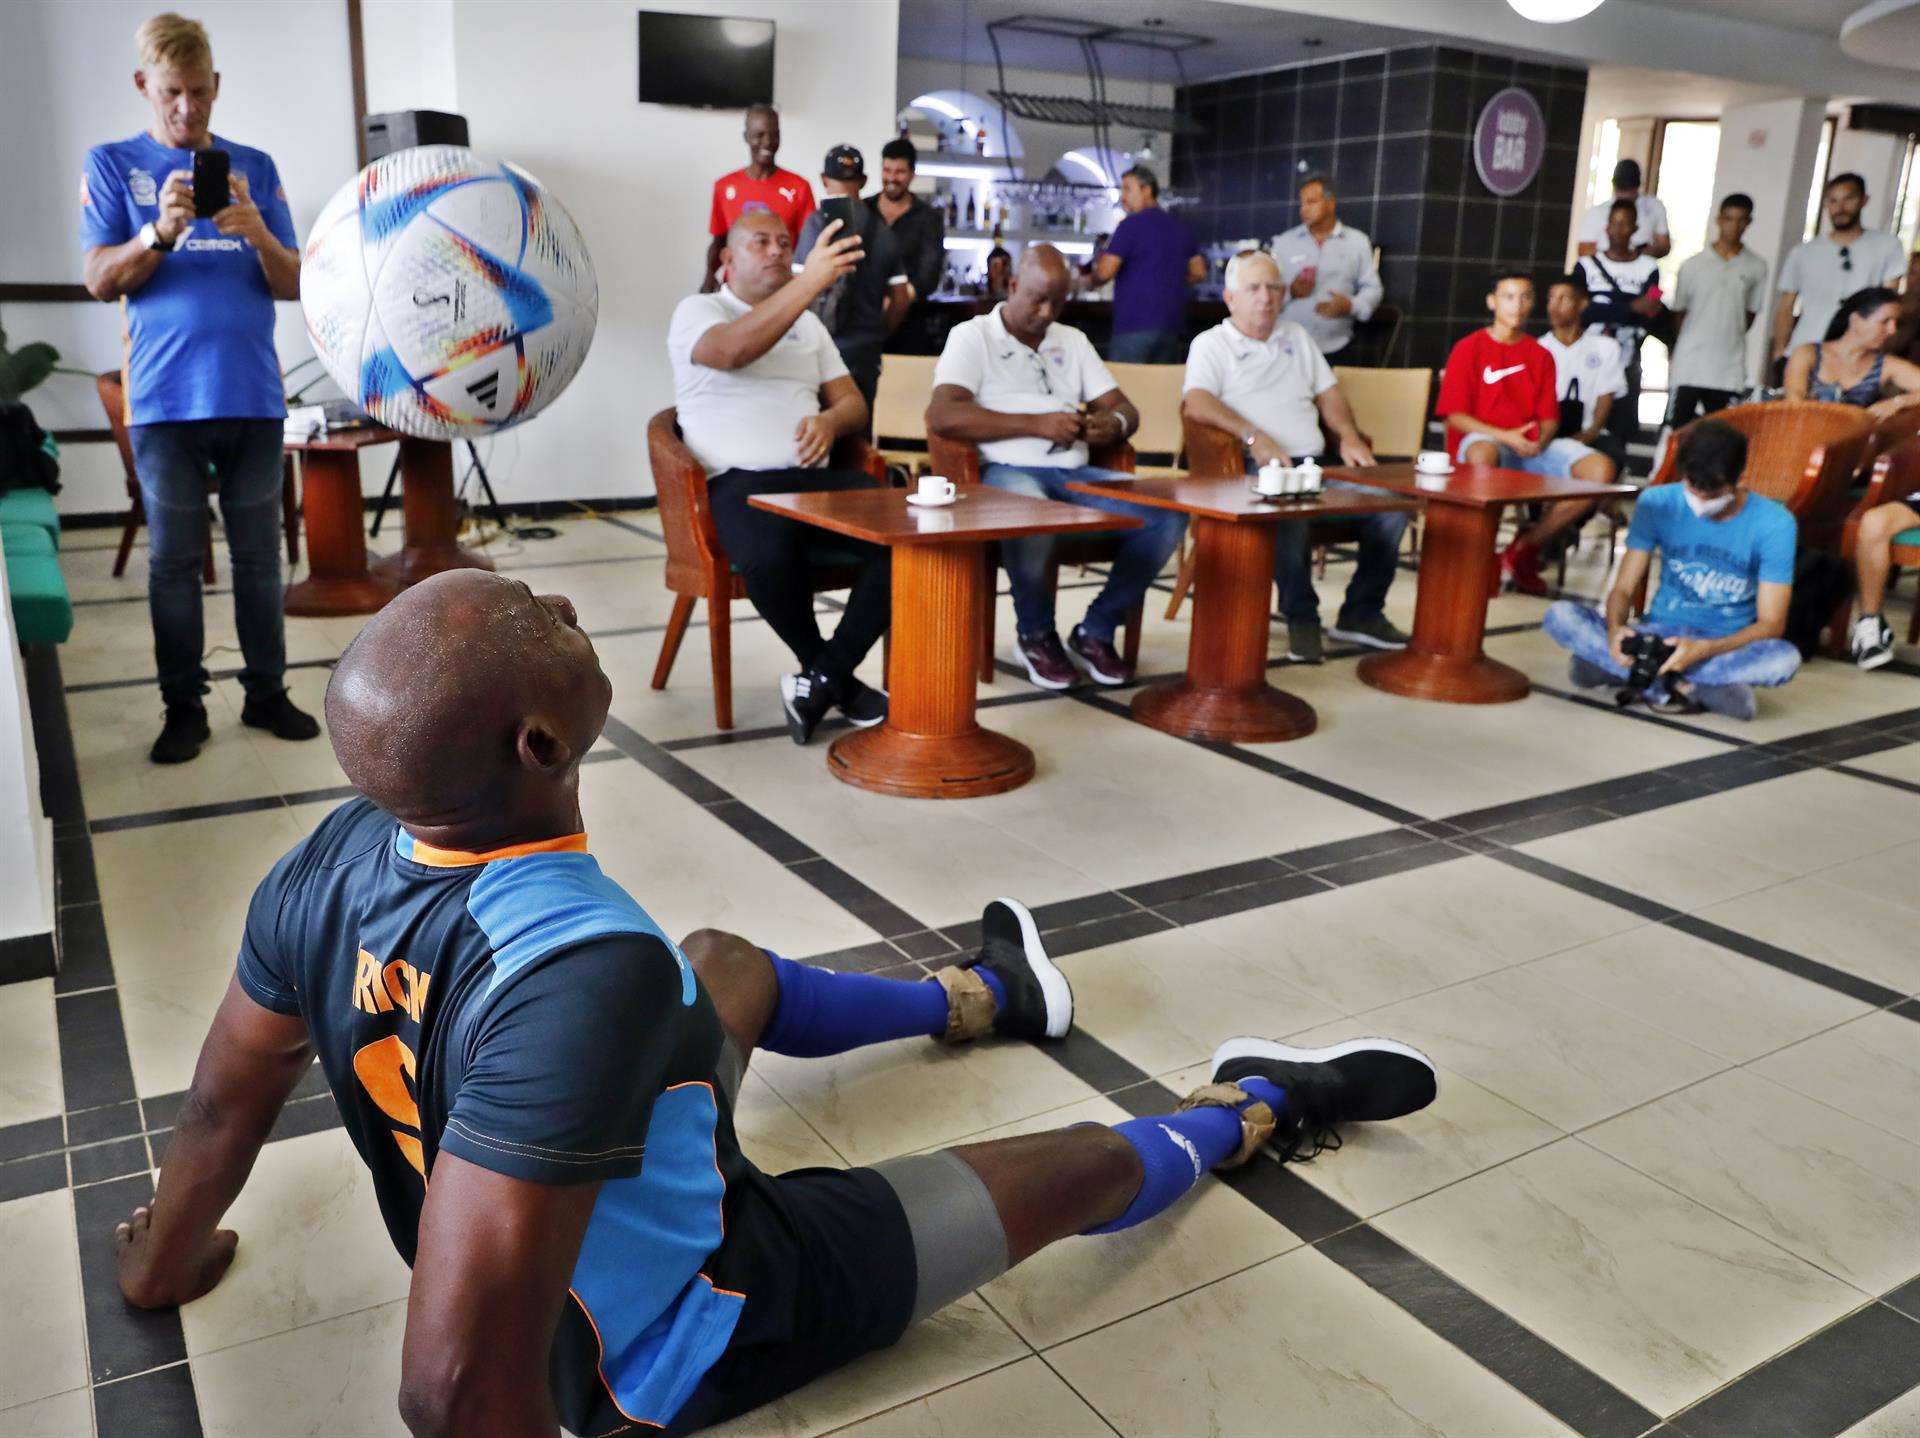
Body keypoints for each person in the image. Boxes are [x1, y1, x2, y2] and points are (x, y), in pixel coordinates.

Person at [107, 566, 1440, 1437]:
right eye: (540, 612)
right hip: (689, 1320)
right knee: (1079, 1165)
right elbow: (455, 1389)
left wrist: (165, 1260)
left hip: (578, 1164)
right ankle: (1262, 1100)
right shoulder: (586, 972)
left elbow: (231, 1090)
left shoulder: (342, 852)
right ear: (537, 745)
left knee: (723, 963)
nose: (565, 598)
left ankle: (984, 996)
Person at [80, 11, 315, 766]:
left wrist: (259, 233)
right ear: (145, 86)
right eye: (173, 93)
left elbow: (295, 283)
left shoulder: (256, 165)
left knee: (258, 557)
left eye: (201, 93)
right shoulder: (113, 163)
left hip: (252, 395)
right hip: (165, 403)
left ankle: (267, 693)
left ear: (218, 87)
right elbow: (98, 279)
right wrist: (157, 233)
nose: (188, 109)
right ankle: (183, 705)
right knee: (173, 564)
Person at [669, 211, 890, 744]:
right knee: (768, 551)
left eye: (784, 243)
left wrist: (829, 420)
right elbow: (729, 351)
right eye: (760, 241)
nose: (776, 250)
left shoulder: (808, 326)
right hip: (736, 485)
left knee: (907, 532)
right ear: (727, 260)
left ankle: (821, 678)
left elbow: (853, 404)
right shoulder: (699, 311)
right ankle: (834, 676)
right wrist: (810, 281)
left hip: (812, 483)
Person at [927, 245, 1187, 688]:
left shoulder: (1073, 340)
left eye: (1058, 302)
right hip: (1004, 473)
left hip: (1077, 473)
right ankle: (1036, 635)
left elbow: (1127, 411)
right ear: (1012, 286)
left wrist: (1110, 425)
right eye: (1037, 299)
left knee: (1167, 513)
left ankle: (1096, 629)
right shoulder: (973, 336)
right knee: (1034, 513)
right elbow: (943, 416)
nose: (1047, 312)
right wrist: (1036, 424)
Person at [1181, 249, 1407, 663]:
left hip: (1315, 465)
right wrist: (1255, 438)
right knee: (1288, 510)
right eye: (1253, 289)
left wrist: (1350, 436)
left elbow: (1329, 393)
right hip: (1250, 469)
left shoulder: (1297, 337)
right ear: (1231, 298)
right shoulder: (1213, 344)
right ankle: (1302, 616)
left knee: (1391, 508)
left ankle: (1361, 612)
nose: (1265, 297)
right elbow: (1195, 402)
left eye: (1274, 288)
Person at [1546, 420, 1799, 720]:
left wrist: (1704, 649)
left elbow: (1771, 624)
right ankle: (1692, 684)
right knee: (1560, 615)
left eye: (1714, 492)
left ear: (1741, 477)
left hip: (1723, 644)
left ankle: (1641, 676)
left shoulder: (1775, 523)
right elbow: (1624, 588)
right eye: (1694, 488)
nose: (1701, 501)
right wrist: (1615, 630)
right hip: (1660, 632)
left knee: (1784, 660)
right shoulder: (1657, 503)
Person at [1436, 272, 1617, 596]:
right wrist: (1507, 437)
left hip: (1531, 446)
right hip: (1488, 441)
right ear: (1492, 302)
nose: (1517, 305)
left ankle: (1524, 549)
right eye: (1508, 296)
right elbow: (1455, 416)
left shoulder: (1540, 354)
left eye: (1525, 297)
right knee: (1483, 454)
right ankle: (1482, 555)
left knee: (1599, 469)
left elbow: (1549, 417)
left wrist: (1540, 441)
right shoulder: (1469, 348)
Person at [793, 144, 910, 417]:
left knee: (819, 430)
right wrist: (876, 332)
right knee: (859, 433)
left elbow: (798, 288)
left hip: (821, 350)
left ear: (824, 179)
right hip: (864, 352)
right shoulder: (883, 230)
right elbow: (901, 300)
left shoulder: (816, 224)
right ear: (864, 181)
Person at [1770, 172, 1906, 376]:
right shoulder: (1803, 252)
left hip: (1857, 358)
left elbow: (1888, 305)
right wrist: (1779, 353)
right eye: (1833, 201)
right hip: (1806, 350)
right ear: (1826, 205)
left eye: (1848, 199)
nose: (1840, 207)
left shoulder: (1887, 246)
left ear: (1863, 200)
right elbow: (1786, 306)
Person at [1667, 193, 1768, 423]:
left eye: (1741, 219)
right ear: (1719, 220)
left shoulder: (1756, 266)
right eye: (1729, 218)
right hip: (1689, 366)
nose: (1734, 225)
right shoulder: (1693, 265)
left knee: (1722, 436)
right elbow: (1679, 314)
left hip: (1728, 370)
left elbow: (1748, 317)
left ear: (1748, 222)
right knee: (1675, 432)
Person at [1090, 165, 1205, 363]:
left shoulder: (1129, 226)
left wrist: (1089, 278)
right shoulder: (1181, 227)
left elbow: (1104, 273)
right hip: (1171, 327)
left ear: (1147, 190)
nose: (1122, 196)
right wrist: (1170, 276)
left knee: (1127, 388)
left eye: (1127, 189)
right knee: (1159, 391)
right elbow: (1199, 272)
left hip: (1133, 324)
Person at [703, 103, 815, 293]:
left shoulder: (799, 187)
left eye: (774, 134)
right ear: (746, 137)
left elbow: (808, 246)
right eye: (759, 135)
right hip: (736, 289)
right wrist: (708, 278)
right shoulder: (725, 186)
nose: (768, 142)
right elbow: (719, 241)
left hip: (781, 290)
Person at [1271, 174, 1384, 360]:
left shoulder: (1357, 242)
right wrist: (1291, 291)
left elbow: (1373, 288)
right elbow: (1267, 291)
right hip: (1288, 348)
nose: (1304, 210)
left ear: (1331, 203)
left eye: (1311, 202)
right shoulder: (1284, 242)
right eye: (1302, 203)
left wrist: (1350, 306)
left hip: (1338, 346)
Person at [1578, 199, 1665, 442]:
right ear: (1606, 228)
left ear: (1635, 229)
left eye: (1625, 224)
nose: (1618, 230)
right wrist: (1629, 307)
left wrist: (1607, 307)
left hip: (1628, 356)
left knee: (1621, 426)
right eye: (1614, 224)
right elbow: (1582, 312)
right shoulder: (1586, 266)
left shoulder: (1649, 268)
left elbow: (1650, 309)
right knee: (1585, 419)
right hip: (1589, 356)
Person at [1540, 271, 1629, 475]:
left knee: (1611, 457)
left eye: (1564, 299)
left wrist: (1590, 433)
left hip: (1589, 432)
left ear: (1582, 304)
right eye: (1551, 299)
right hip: (1547, 434)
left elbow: (1605, 395)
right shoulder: (1538, 348)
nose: (1555, 306)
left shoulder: (1606, 347)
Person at [1783, 286, 1920, 413]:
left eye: (1896, 323)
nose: (1892, 330)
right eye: (1884, 322)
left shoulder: (1886, 365)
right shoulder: (1807, 353)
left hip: (1858, 438)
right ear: (1855, 320)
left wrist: (1897, 402)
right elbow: (1795, 404)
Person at [872, 138, 946, 354]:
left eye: (900, 172)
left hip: (909, 326)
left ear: (912, 174)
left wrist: (895, 303)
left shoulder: (929, 218)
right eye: (887, 170)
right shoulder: (863, 210)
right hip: (862, 321)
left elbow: (929, 275)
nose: (892, 178)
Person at [1575, 158, 1670, 260]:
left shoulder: (1654, 207)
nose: (1624, 195)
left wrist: (1636, 253)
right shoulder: (1597, 213)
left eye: (1628, 189)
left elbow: (1663, 246)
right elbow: (1584, 250)